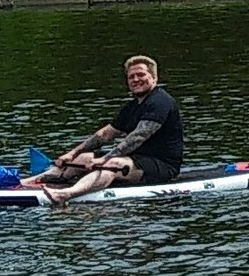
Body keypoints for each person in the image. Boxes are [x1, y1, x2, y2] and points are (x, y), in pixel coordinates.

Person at [27, 55, 185, 205]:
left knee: (112, 163)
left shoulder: (161, 102)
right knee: (83, 158)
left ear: (154, 77)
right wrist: (72, 154)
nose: (136, 80)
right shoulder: (132, 107)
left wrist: (104, 159)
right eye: (131, 77)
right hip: (136, 160)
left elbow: (138, 137)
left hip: (163, 165)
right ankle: (28, 183)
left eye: (141, 75)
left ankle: (65, 194)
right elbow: (105, 134)